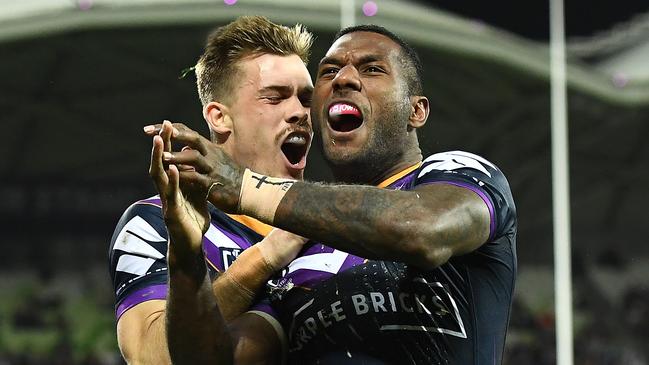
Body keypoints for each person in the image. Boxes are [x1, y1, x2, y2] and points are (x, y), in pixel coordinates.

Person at [156, 24, 517, 364]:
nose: (343, 79)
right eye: (328, 72)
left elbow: (422, 230)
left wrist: (245, 186)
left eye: (372, 69)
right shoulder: (296, 249)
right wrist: (185, 259)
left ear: (416, 110)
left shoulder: (458, 174)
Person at [109, 16, 315, 364]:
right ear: (219, 117)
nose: (299, 112)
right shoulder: (153, 222)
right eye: (275, 97)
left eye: (305, 99)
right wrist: (265, 258)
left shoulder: (333, 223)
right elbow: (151, 358)